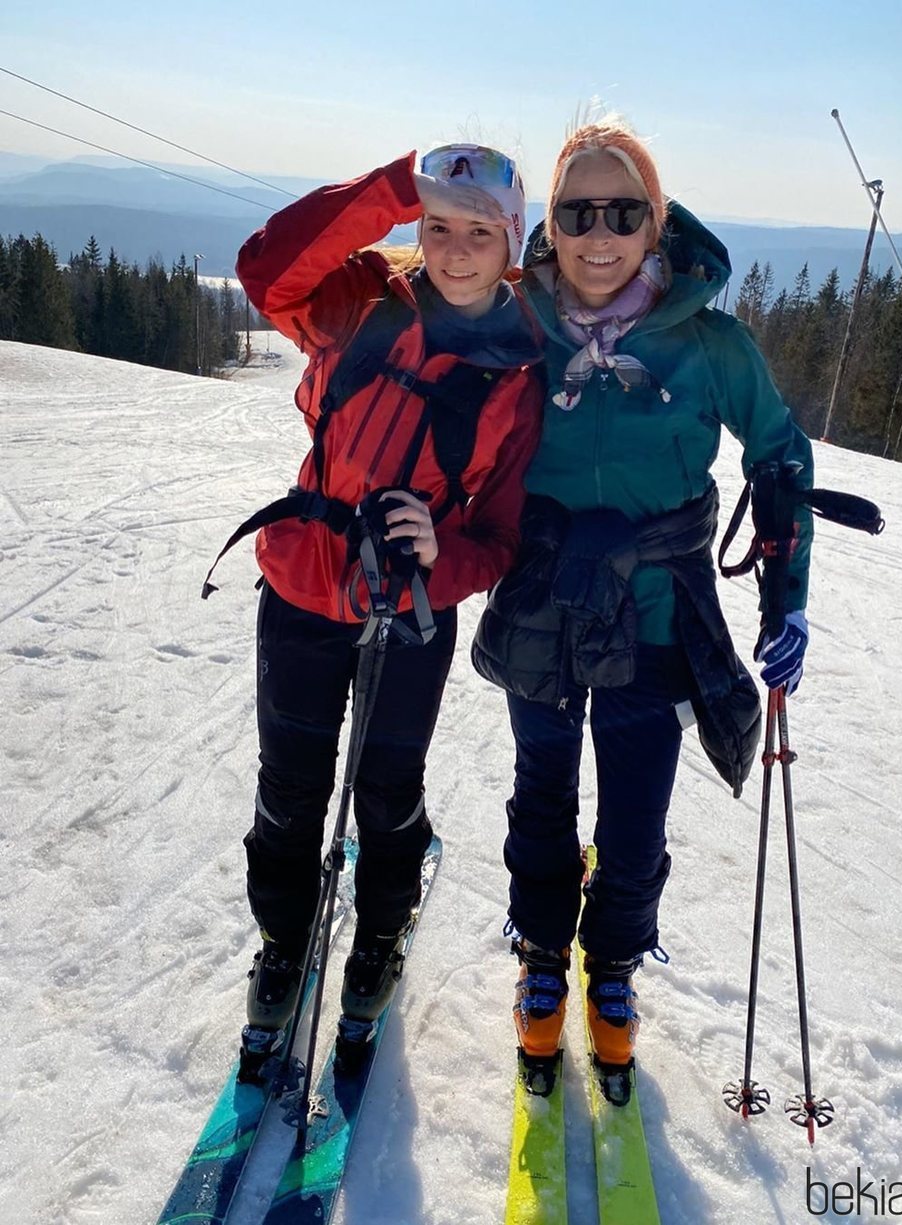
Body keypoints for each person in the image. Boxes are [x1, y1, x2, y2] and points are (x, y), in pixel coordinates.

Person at [472, 118, 814, 1098]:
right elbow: (443, 417)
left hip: (656, 607)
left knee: (631, 814)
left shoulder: (708, 342)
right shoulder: (515, 323)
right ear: (549, 223)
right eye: (575, 211)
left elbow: (778, 453)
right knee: (541, 785)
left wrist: (784, 602)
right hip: (539, 594)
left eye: (621, 211)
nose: (596, 233)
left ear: (654, 221)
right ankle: (543, 952)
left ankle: (609, 966)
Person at [230, 144, 543, 1054]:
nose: (453, 250)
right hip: (301, 586)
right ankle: (285, 943)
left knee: (386, 787)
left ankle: (377, 934)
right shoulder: (360, 297)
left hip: (411, 611)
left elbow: (503, 538)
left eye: (478, 233)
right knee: (289, 788)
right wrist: (391, 188)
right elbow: (263, 271)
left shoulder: (518, 379)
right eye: (438, 225)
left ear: (510, 244)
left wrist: (439, 561)